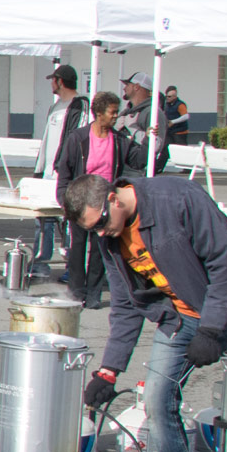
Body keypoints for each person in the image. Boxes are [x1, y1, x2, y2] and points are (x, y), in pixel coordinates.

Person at [63, 173, 227, 452]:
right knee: (158, 397)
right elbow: (125, 303)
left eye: (101, 222)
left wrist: (213, 330)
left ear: (114, 198)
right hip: (182, 315)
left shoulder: (178, 199)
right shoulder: (111, 237)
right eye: (92, 230)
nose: (100, 233)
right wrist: (109, 370)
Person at [55, 91, 145, 309]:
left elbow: (138, 160)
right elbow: (64, 169)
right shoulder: (79, 138)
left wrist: (152, 139)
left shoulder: (119, 140)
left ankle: (94, 294)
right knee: (77, 248)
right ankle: (76, 293)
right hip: (81, 199)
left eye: (116, 112)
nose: (116, 116)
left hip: (105, 203)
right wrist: (64, 198)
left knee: (99, 250)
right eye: (112, 112)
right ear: (99, 113)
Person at [31, 64, 89, 278]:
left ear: (60, 81)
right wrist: (40, 169)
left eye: (53, 80)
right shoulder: (55, 107)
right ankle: (40, 264)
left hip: (66, 175)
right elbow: (47, 140)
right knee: (43, 221)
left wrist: (64, 167)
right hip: (48, 174)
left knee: (67, 223)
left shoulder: (80, 105)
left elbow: (76, 138)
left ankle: (71, 268)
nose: (51, 84)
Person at [116, 71, 169, 176]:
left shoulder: (153, 113)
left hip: (138, 173)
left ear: (136, 87)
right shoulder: (127, 112)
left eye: (127, 85)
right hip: (123, 169)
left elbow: (156, 145)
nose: (124, 88)